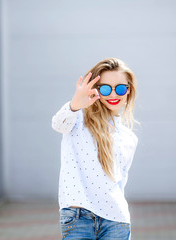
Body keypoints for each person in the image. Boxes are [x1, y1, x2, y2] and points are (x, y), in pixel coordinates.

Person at [51, 57, 139, 240]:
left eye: (121, 88)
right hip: (78, 218)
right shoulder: (77, 118)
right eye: (106, 88)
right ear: (96, 89)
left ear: (128, 90)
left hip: (116, 221)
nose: (114, 95)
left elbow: (120, 183)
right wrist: (75, 103)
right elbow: (58, 124)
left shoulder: (129, 138)